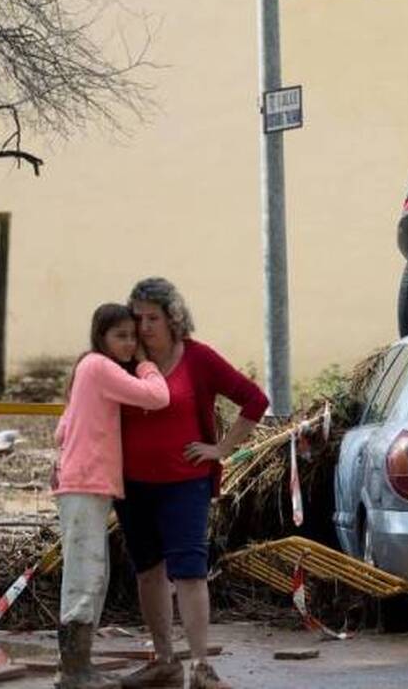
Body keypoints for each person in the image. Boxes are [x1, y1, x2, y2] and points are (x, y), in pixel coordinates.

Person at [115, 278, 268, 689]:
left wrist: (221, 449)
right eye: (138, 318)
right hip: (132, 485)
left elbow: (254, 399)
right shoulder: (124, 360)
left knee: (190, 572)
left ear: (173, 318)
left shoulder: (198, 359)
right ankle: (164, 660)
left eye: (153, 318)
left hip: (185, 484)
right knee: (148, 572)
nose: (145, 327)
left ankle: (201, 666)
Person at [54, 304, 170, 689]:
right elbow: (157, 396)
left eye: (133, 337)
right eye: (120, 336)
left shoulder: (85, 370)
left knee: (92, 575)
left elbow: (61, 430)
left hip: (83, 483)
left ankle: (78, 665)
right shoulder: (99, 367)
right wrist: (144, 363)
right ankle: (73, 671)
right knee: (85, 576)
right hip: (86, 484)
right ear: (101, 337)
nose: (128, 343)